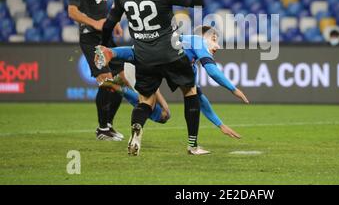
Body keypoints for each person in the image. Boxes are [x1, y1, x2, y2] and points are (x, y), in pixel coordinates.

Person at [100, 0, 207, 156]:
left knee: (145, 101)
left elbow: (108, 25)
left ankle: (137, 130)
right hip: (170, 53)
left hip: (144, 57)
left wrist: (105, 46)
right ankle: (193, 145)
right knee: (190, 92)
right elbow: (198, 1)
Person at [96, 25, 249, 139]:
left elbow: (199, 99)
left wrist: (220, 124)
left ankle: (120, 86)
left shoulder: (188, 60)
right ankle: (120, 86)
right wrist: (234, 89)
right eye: (214, 39)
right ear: (203, 37)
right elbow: (212, 71)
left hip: (141, 61)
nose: (218, 46)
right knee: (148, 103)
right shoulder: (195, 40)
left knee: (164, 115)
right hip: (140, 59)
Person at [67, 0, 124, 141]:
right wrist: (95, 23)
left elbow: (102, 8)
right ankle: (102, 129)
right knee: (107, 80)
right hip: (90, 38)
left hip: (105, 37)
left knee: (121, 80)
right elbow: (72, 11)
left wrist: (112, 21)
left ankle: (108, 125)